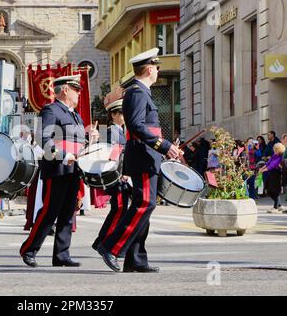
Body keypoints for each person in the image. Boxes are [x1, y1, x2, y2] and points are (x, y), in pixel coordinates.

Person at [96, 48, 182, 273]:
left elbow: (147, 127)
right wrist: (163, 145)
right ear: (150, 69)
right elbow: (136, 126)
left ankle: (136, 259)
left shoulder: (141, 92)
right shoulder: (137, 92)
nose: (158, 70)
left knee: (144, 206)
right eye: (156, 66)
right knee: (145, 204)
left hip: (148, 155)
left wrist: (166, 146)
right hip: (143, 156)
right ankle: (111, 247)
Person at [19, 74, 98, 267]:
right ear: (65, 90)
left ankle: (61, 254)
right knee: (49, 211)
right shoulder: (51, 110)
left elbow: (78, 143)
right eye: (76, 89)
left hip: (73, 169)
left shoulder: (76, 115)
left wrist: (91, 141)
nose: (79, 93)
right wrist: (62, 155)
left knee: (68, 213)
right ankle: (29, 249)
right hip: (57, 167)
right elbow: (42, 139)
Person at [92, 99, 130, 251]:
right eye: (120, 113)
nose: (123, 116)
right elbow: (112, 155)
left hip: (120, 175)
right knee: (119, 209)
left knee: (119, 209)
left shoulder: (119, 131)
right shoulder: (112, 132)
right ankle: (103, 242)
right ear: (113, 115)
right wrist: (120, 173)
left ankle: (101, 240)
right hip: (116, 177)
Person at [259, 143, 286, 213]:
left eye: (276, 150)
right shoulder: (274, 155)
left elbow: (273, 165)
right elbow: (268, 163)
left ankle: (275, 208)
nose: (274, 151)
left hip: (277, 174)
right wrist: (262, 168)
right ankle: (279, 205)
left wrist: (264, 170)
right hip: (271, 174)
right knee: (269, 191)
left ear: (279, 150)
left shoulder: (280, 157)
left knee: (275, 191)